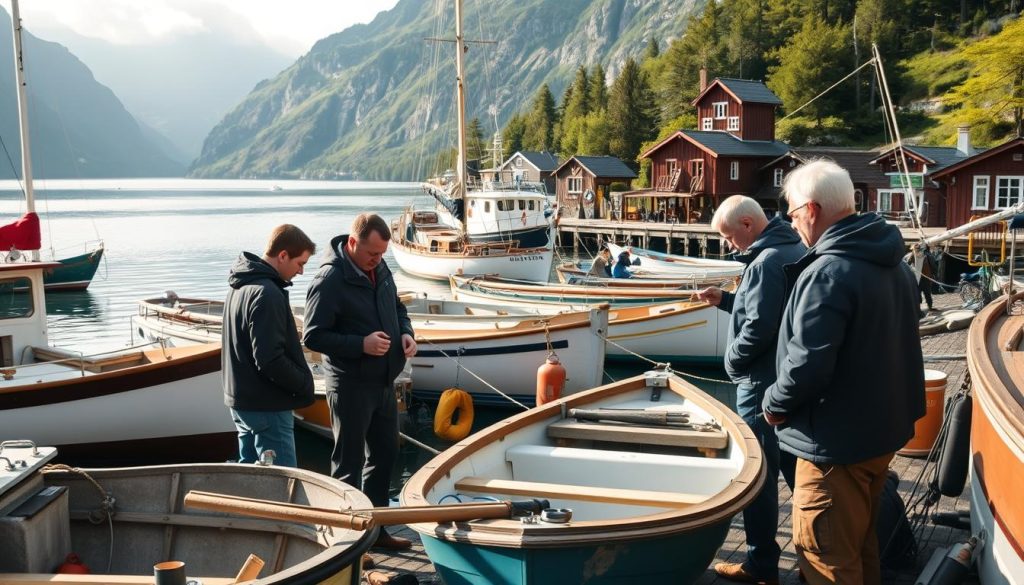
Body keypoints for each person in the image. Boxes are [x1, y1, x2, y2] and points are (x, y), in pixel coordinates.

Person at [762, 160, 925, 584]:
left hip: (834, 445)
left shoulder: (828, 272)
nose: (794, 225)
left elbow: (808, 364)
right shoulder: (893, 262)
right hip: (879, 435)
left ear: (812, 210)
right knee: (862, 548)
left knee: (826, 557)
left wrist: (774, 402)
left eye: (794, 214)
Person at [697, 196, 805, 585]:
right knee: (797, 472)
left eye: (728, 236)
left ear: (747, 224)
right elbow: (773, 312)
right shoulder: (792, 247)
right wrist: (726, 300)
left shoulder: (763, 262)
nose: (728, 245)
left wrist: (733, 364)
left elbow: (760, 327)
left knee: (759, 478)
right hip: (786, 380)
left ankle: (761, 565)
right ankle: (814, 554)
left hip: (759, 383)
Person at [303, 213, 417, 551]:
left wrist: (407, 334)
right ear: (353, 243)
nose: (378, 260)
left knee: (385, 454)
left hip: (384, 381)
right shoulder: (329, 280)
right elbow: (313, 336)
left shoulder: (380, 270)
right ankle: (347, 546)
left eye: (383, 254)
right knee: (348, 464)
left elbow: (397, 309)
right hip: (350, 385)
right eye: (373, 253)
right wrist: (360, 344)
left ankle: (377, 533)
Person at [222, 224, 316, 468]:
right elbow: (269, 358)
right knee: (281, 485)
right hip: (267, 407)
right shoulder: (268, 293)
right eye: (300, 263)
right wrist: (304, 382)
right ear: (283, 255)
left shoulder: (238, 286)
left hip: (241, 402)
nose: (302, 271)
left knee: (250, 482)